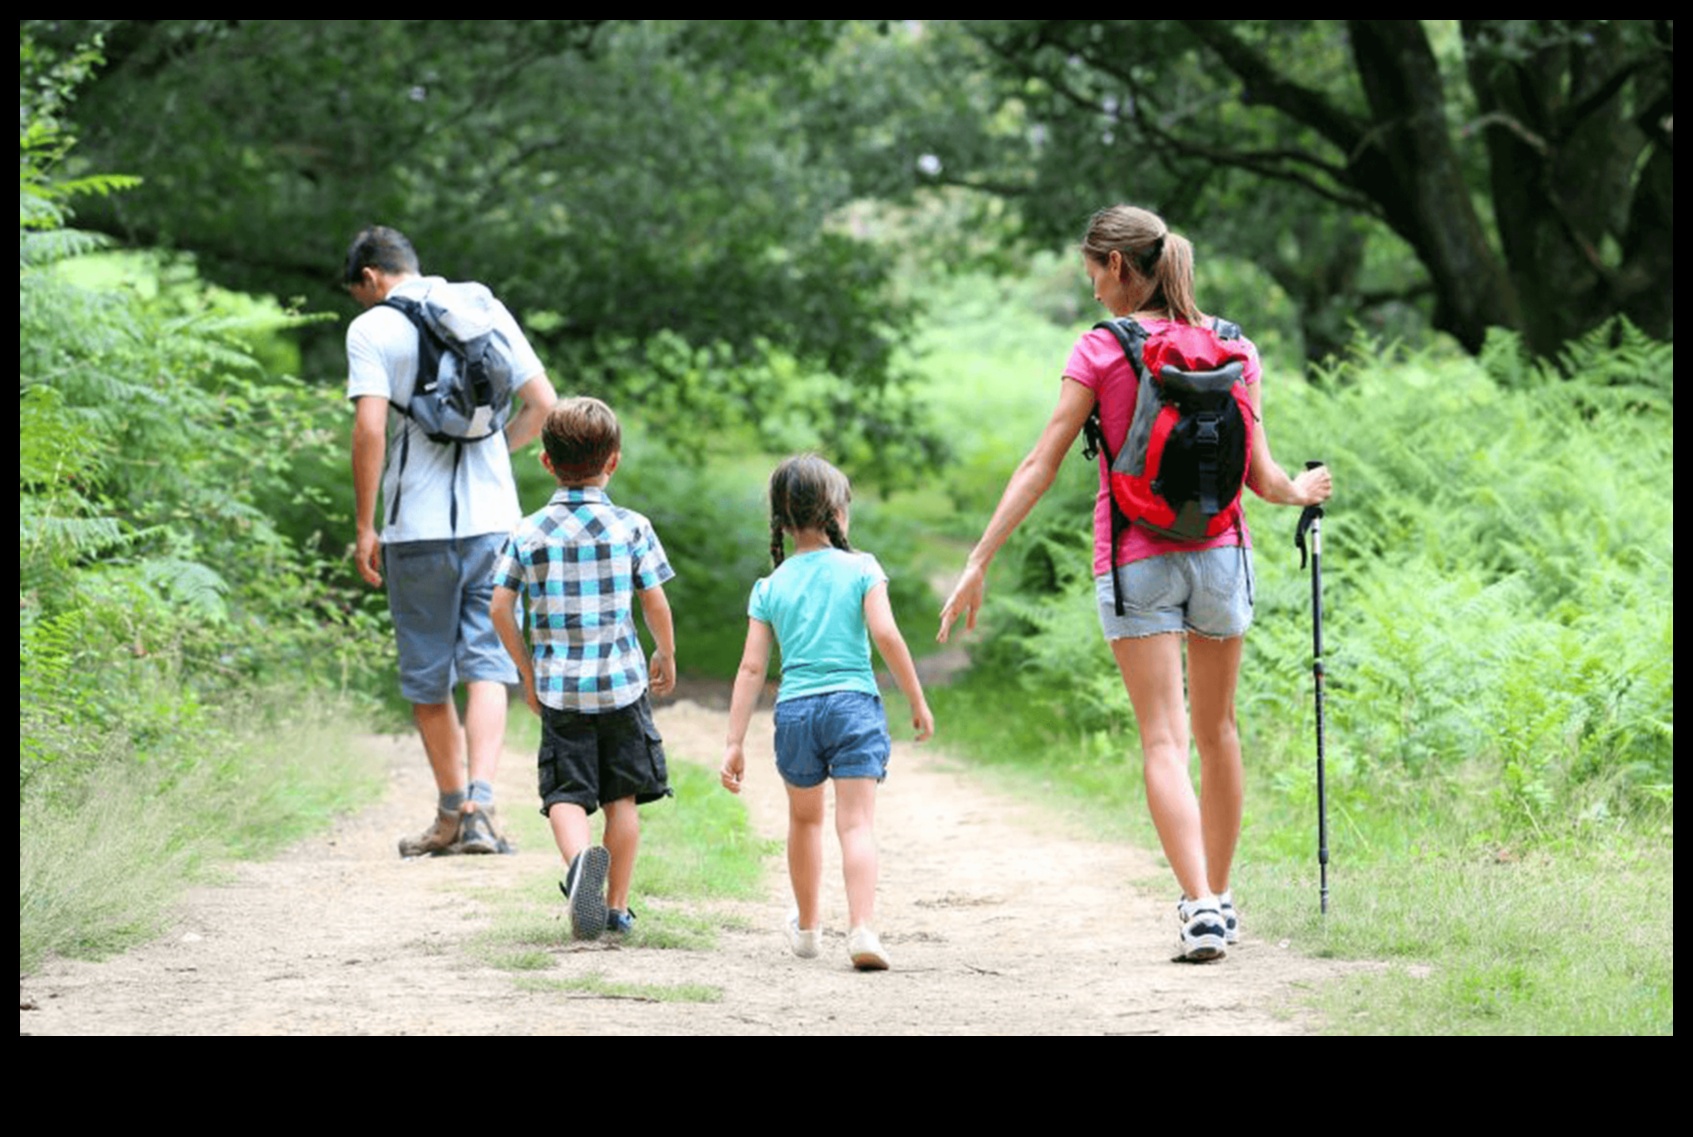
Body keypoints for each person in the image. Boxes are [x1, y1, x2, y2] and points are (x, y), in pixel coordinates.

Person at [936, 205, 1332, 962]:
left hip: (1134, 558)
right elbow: (1261, 477)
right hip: (1222, 556)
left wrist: (978, 557)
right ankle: (1217, 898)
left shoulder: (1099, 349)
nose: (1092, 292)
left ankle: (1200, 906)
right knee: (1219, 732)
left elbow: (1040, 463)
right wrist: (1303, 490)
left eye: (1092, 272)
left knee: (1163, 735)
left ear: (1117, 266)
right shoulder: (1233, 346)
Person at [344, 225, 558, 858]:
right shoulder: (481, 306)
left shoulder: (373, 328)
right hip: (495, 522)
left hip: (416, 529)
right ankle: (483, 810)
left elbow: (369, 429)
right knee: (487, 665)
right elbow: (543, 403)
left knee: (428, 676)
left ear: (371, 279)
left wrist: (365, 523)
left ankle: (447, 814)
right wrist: (495, 449)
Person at [719, 454, 935, 971]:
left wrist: (734, 740)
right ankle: (861, 927)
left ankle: (810, 928)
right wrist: (916, 699)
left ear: (782, 520)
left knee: (804, 821)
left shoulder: (770, 586)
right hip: (853, 706)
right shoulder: (862, 568)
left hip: (795, 711)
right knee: (856, 824)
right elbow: (886, 634)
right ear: (837, 512)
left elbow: (752, 669)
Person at [490, 396, 677, 941]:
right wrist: (663, 652)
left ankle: (578, 869)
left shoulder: (528, 532)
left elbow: (500, 607)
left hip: (559, 691)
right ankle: (616, 908)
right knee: (622, 798)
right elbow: (655, 603)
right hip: (621, 686)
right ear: (613, 460)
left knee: (566, 794)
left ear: (546, 462)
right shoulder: (631, 527)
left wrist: (526, 672)